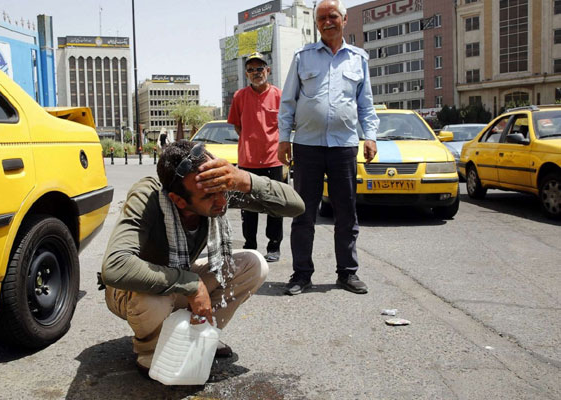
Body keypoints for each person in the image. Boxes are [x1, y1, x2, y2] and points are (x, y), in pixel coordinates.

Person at [100, 140, 304, 378]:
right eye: (209, 197)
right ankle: (151, 350)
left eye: (223, 189)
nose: (221, 201)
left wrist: (243, 179)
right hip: (131, 290)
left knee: (253, 264)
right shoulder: (148, 196)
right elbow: (115, 266)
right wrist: (192, 285)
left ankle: (201, 334)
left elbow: (296, 206)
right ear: (178, 200)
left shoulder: (215, 189)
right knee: (155, 300)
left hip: (178, 276)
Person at [277, 0, 379, 296]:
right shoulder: (302, 57)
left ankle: (347, 273)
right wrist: (285, 137)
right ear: (316, 23)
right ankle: (301, 274)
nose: (327, 21)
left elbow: (365, 104)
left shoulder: (358, 59)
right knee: (303, 213)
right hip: (307, 147)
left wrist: (370, 136)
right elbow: (288, 102)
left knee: (346, 213)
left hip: (344, 147)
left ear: (344, 20)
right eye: (321, 18)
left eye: (332, 16)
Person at [227, 51, 285, 263]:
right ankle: (250, 245)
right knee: (248, 206)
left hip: (273, 159)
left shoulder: (279, 95)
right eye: (251, 70)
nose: (255, 73)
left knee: (274, 205)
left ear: (267, 70)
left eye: (259, 68)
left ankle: (274, 246)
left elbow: (286, 125)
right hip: (247, 161)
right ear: (246, 74)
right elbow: (237, 125)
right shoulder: (239, 97)